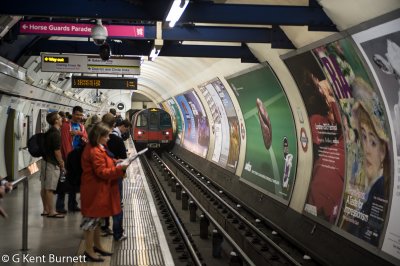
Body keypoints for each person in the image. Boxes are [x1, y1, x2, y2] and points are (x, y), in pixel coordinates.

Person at [343, 98, 390, 246]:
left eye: (373, 142)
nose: (367, 149)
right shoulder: (371, 186)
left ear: (383, 152)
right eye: (363, 137)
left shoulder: (381, 190)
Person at [80, 122, 128, 262]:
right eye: (106, 136)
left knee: (97, 221)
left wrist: (115, 161)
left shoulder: (99, 147)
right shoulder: (94, 151)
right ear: (98, 136)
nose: (108, 138)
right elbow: (102, 172)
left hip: (99, 190)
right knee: (90, 223)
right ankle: (89, 251)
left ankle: (97, 246)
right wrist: (120, 168)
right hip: (94, 190)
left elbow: (105, 161)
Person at [56, 106, 88, 213]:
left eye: (80, 115)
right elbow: (65, 144)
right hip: (69, 157)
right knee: (63, 182)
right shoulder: (66, 126)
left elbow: (86, 139)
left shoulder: (81, 127)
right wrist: (67, 160)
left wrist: (78, 133)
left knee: (74, 182)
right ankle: (60, 206)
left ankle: (72, 204)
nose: (79, 117)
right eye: (77, 114)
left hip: (78, 157)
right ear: (73, 114)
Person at [40, 112, 65, 218]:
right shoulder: (56, 133)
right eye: (60, 118)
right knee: (50, 188)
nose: (62, 119)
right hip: (51, 163)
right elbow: (57, 151)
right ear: (56, 121)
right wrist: (61, 163)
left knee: (44, 187)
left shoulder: (50, 131)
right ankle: (52, 211)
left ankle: (46, 209)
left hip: (45, 162)